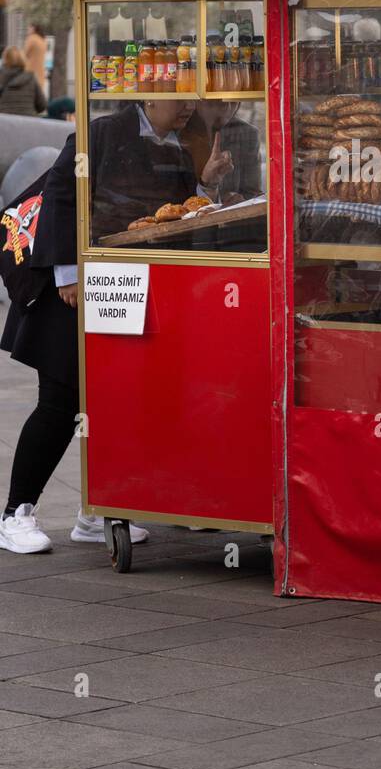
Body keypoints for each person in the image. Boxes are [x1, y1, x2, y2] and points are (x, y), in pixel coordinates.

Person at [0, 148, 149, 553]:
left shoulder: (175, 140)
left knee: (108, 401)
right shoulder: (98, 132)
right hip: (63, 289)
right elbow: (60, 195)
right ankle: (15, 513)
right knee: (58, 402)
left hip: (115, 282)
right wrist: (66, 271)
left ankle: (96, 511)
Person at [88, 99, 233, 241]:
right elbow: (77, 200)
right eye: (180, 98)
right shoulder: (103, 132)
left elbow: (188, 213)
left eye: (192, 98)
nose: (190, 106)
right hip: (111, 251)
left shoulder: (186, 144)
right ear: (150, 97)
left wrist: (208, 183)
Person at [0, 47, 46, 117]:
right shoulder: (31, 78)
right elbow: (42, 106)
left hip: (5, 121)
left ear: (5, 60)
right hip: (28, 120)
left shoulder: (1, 79)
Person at [24, 24, 47, 89]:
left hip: (30, 71)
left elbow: (25, 54)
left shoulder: (31, 38)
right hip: (41, 73)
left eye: (29, 27)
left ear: (34, 28)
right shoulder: (43, 39)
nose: (27, 29)